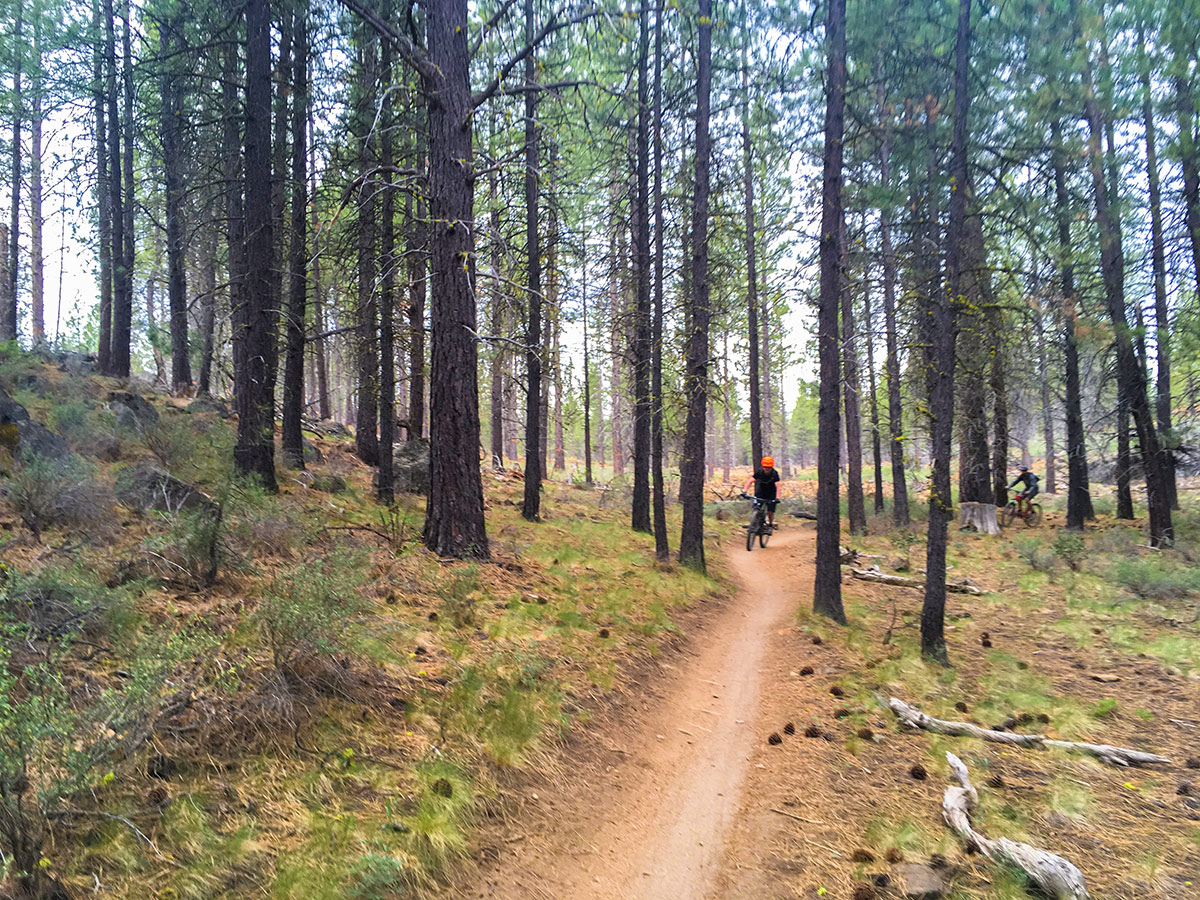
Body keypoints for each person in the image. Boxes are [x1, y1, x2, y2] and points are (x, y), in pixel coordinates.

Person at [744, 456, 781, 528]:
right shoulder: (759, 472)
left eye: (769, 467)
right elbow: (750, 481)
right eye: (765, 467)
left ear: (772, 467)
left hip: (771, 493)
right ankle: (755, 523)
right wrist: (744, 491)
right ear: (763, 466)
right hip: (761, 492)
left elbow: (778, 486)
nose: (767, 469)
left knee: (770, 511)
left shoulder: (774, 473)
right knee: (756, 507)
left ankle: (770, 524)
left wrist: (777, 498)